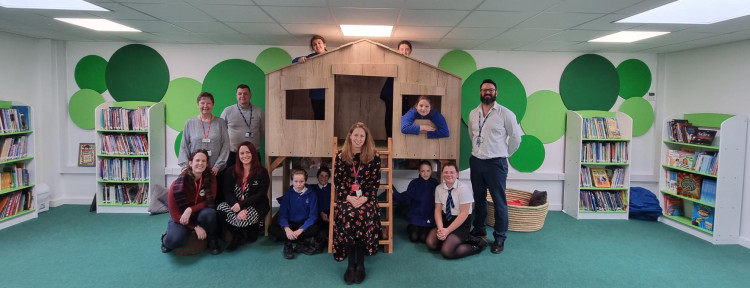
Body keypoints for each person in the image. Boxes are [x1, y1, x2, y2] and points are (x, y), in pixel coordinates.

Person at [468, 79, 523, 254]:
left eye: (491, 90)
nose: (487, 92)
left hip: (496, 163)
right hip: (476, 161)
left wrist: (504, 154)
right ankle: (479, 229)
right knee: (480, 199)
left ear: (496, 93)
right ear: (480, 92)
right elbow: (472, 134)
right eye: (484, 90)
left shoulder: (506, 114)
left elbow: (516, 139)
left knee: (499, 202)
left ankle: (499, 238)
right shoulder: (472, 113)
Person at [332, 122, 381, 285]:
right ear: (350, 136)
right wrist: (348, 197)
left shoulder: (374, 156)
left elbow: (375, 183)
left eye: (362, 135)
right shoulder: (340, 156)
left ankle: (360, 264)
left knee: (362, 214)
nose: (358, 138)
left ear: (366, 138)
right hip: (347, 197)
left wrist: (365, 198)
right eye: (356, 135)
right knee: (347, 214)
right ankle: (350, 265)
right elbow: (338, 182)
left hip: (367, 197)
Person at [161, 149, 221, 255]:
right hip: (182, 217)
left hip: (200, 214)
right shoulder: (178, 184)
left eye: (203, 161)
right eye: (197, 160)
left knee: (210, 213)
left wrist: (190, 209)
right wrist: (195, 227)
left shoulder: (211, 179)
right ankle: (165, 239)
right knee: (174, 241)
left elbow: (209, 201)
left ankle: (212, 240)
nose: (200, 163)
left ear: (207, 164)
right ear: (190, 163)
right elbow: (174, 213)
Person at [216, 142, 270, 252]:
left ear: (253, 154)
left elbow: (261, 194)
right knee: (220, 208)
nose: (245, 156)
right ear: (238, 155)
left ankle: (251, 229)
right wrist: (237, 208)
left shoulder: (262, 172)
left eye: (248, 152)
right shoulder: (231, 171)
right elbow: (227, 192)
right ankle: (237, 235)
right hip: (236, 204)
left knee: (243, 221)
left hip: (256, 205)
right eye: (242, 153)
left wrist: (241, 205)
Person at [425, 162, 486, 259]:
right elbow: (437, 210)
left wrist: (447, 231)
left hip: (461, 223)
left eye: (452, 172)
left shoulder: (464, 189)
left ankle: (477, 245)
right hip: (445, 220)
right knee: (431, 244)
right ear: (442, 173)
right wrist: (441, 229)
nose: (448, 175)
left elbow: (464, 214)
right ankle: (451, 239)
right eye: (446, 172)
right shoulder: (439, 188)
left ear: (457, 174)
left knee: (447, 252)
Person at [269, 169, 319, 259]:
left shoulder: (312, 195)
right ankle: (298, 241)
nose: (298, 184)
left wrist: (300, 230)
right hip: (290, 223)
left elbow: (313, 216)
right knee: (272, 228)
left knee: (315, 229)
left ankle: (290, 240)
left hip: (304, 224)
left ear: (305, 181)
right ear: (292, 181)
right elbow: (282, 214)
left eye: (301, 181)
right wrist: (287, 229)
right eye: (296, 181)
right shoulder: (288, 195)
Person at [178, 92, 230, 177]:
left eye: (208, 103)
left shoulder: (220, 122)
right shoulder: (190, 123)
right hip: (195, 171)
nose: (205, 106)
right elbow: (184, 146)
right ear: (198, 105)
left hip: (216, 171)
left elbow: (226, 145)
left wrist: (217, 166)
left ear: (213, 105)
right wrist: (185, 166)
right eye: (202, 103)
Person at [392, 160, 438, 243]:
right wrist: (394, 194)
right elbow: (406, 197)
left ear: (431, 171)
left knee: (423, 238)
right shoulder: (414, 183)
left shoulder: (435, 183)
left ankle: (423, 229)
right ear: (419, 171)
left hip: (428, 216)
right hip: (415, 216)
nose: (425, 173)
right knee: (414, 238)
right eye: (423, 171)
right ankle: (410, 227)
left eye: (428, 171)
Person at [220, 84, 264, 169]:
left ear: (250, 95)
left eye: (245, 93)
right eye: (240, 94)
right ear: (236, 96)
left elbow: (263, 131)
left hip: (253, 154)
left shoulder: (259, 111)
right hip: (232, 154)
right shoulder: (227, 111)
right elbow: (221, 132)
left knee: (255, 179)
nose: (242, 96)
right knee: (231, 180)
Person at [380, 40, 412, 137]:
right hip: (390, 94)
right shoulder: (393, 61)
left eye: (407, 49)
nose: (404, 51)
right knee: (390, 116)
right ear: (398, 51)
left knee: (404, 117)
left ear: (410, 51)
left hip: (404, 94)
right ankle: (389, 139)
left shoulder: (412, 65)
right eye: (402, 49)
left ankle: (401, 138)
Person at [292, 34, 327, 120]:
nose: (317, 46)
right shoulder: (311, 58)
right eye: (314, 44)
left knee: (329, 118)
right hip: (315, 94)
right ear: (312, 48)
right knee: (318, 117)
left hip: (329, 93)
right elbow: (293, 61)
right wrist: (300, 59)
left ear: (324, 45)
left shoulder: (331, 56)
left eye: (319, 43)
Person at [308, 165, 331, 252]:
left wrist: (332, 215)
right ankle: (321, 243)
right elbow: (312, 205)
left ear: (328, 177)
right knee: (317, 227)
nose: (323, 178)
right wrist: (321, 213)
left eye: (326, 176)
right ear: (317, 177)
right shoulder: (313, 189)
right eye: (321, 175)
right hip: (318, 212)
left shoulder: (332, 188)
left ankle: (328, 239)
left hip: (330, 212)